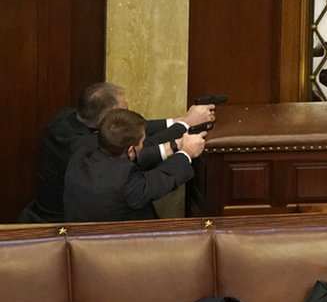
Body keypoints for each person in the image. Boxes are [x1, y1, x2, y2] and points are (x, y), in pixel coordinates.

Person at [19, 82, 216, 223]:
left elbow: (129, 135)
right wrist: (186, 151)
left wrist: (180, 124)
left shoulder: (78, 141)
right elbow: (162, 178)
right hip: (79, 233)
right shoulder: (118, 176)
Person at [63, 108, 206, 222]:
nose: (144, 146)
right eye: (142, 143)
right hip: (121, 250)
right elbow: (162, 179)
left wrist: (174, 146)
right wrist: (187, 152)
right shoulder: (125, 179)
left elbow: (127, 161)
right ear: (131, 150)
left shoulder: (80, 155)